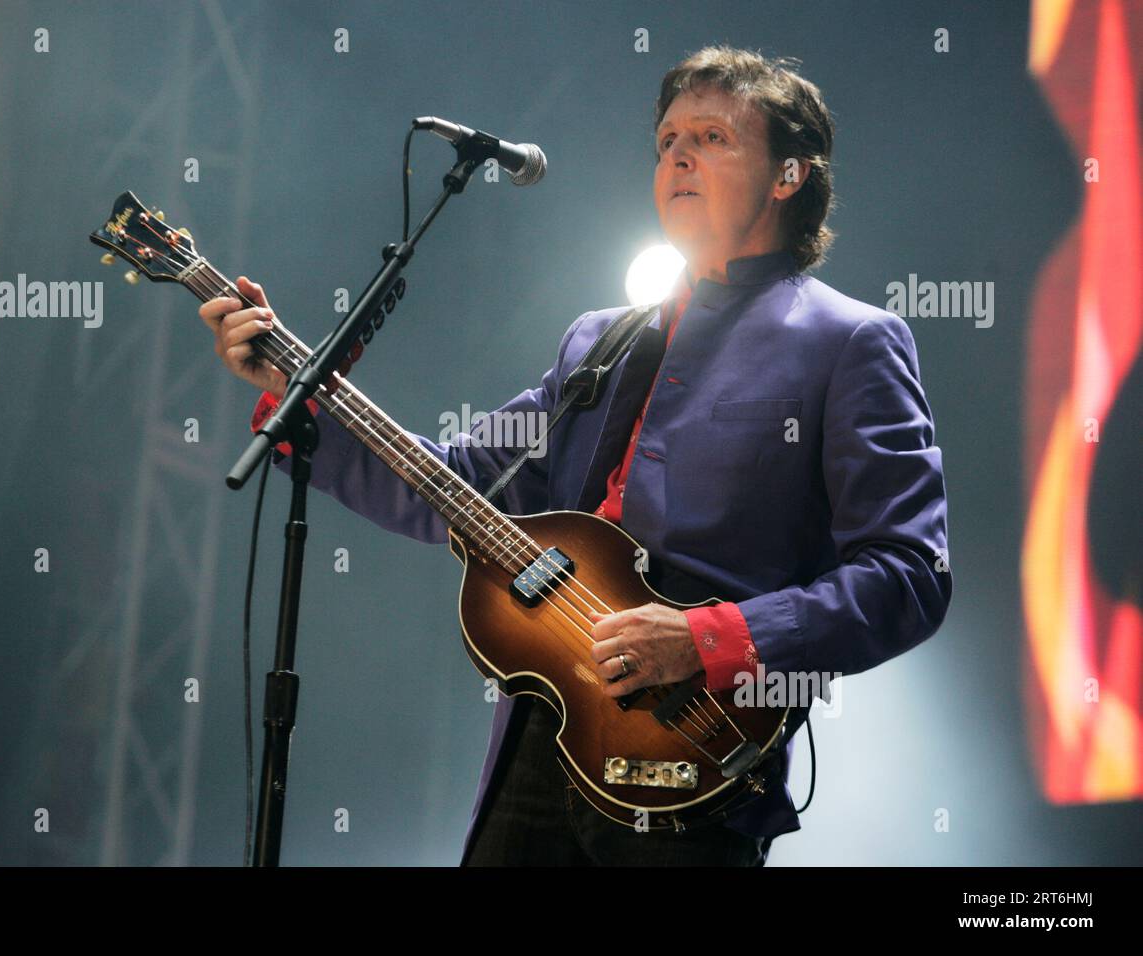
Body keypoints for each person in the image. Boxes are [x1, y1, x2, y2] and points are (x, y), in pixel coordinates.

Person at [197, 45, 951, 866]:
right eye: (666, 141)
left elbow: (908, 575)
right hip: (543, 732)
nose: (678, 157)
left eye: (712, 137)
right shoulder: (601, 339)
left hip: (694, 757)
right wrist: (299, 392)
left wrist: (708, 637)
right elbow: (458, 485)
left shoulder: (850, 342)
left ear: (788, 176)